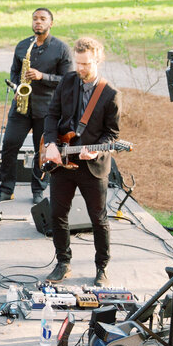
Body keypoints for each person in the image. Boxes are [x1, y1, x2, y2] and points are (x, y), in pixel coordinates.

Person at [42, 37, 121, 287]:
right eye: (78, 63)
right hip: (63, 160)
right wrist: (51, 144)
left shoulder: (110, 95)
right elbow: (52, 114)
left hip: (92, 166)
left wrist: (96, 152)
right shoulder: (68, 80)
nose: (81, 69)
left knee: (98, 218)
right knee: (57, 214)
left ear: (97, 60)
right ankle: (63, 262)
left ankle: (102, 268)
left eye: (86, 64)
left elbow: (112, 135)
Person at [0, 8, 72, 204]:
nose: (38, 22)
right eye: (35, 19)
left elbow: (67, 80)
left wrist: (43, 76)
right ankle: (6, 190)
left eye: (43, 19)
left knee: (41, 151)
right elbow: (15, 72)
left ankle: (38, 190)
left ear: (51, 23)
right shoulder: (23, 46)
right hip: (21, 106)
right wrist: (17, 87)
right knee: (9, 145)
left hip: (47, 109)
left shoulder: (61, 49)